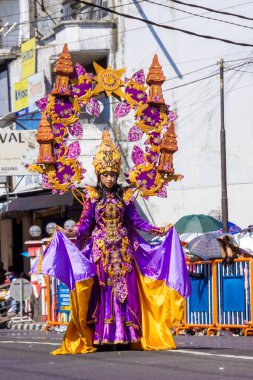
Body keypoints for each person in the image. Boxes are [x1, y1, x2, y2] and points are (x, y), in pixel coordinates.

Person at [32, 130, 191, 355]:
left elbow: (137, 223)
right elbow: (85, 224)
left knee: (127, 293)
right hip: (101, 252)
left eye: (113, 174)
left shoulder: (125, 196)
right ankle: (102, 336)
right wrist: (70, 232)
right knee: (103, 292)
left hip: (124, 252)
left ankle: (126, 336)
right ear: (99, 174)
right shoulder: (92, 196)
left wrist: (160, 229)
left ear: (117, 175)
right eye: (105, 174)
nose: (109, 178)